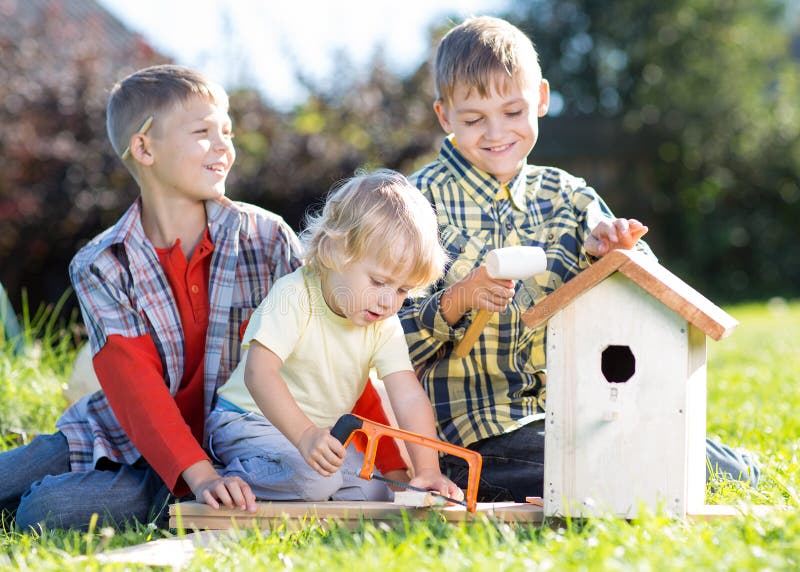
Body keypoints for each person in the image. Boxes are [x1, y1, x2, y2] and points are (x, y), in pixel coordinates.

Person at [0, 65, 405, 530]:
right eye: (202, 132)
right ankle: (169, 490)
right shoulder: (101, 264)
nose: (224, 147)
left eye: (227, 132)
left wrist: (396, 468)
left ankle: (181, 499)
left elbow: (338, 358)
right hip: (123, 434)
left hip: (241, 449)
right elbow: (138, 393)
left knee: (44, 511)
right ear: (144, 147)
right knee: (16, 475)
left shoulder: (269, 239)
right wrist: (197, 474)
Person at [399, 16, 759, 502]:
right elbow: (383, 338)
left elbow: (647, 290)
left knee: (654, 451)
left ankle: (730, 465)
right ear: (444, 117)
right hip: (472, 438)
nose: (496, 132)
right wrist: (456, 300)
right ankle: (689, 462)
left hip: (573, 411)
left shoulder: (568, 197)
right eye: (473, 119)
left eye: (513, 111)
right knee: (601, 464)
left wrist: (619, 253)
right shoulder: (416, 204)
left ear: (542, 99)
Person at [206, 170, 463, 503]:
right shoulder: (295, 294)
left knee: (374, 490)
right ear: (336, 252)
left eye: (402, 290)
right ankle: (225, 478)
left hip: (313, 437)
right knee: (316, 483)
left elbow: (408, 396)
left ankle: (292, 482)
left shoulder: (382, 323)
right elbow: (259, 373)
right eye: (379, 282)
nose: (389, 301)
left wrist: (426, 469)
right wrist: (304, 435)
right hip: (246, 422)